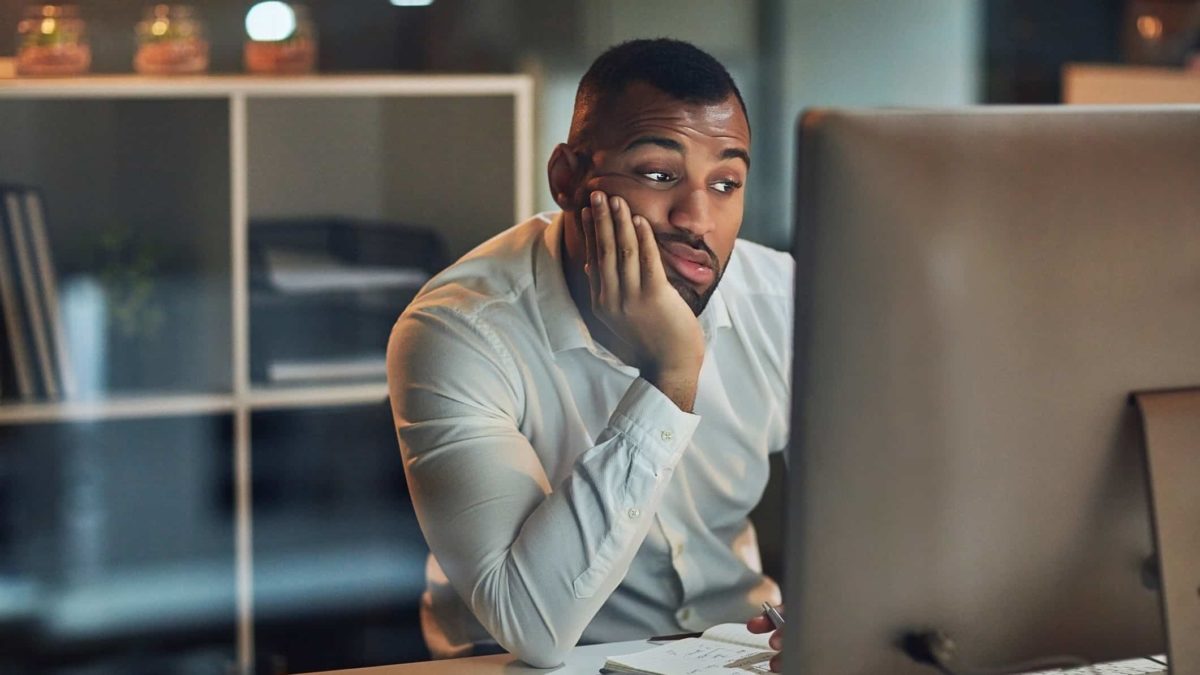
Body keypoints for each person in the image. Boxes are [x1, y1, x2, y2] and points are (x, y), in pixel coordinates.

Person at [386, 38, 792, 669]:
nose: (697, 217)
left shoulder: (782, 299)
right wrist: (671, 373)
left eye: (725, 183)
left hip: (732, 650)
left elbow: (883, 501)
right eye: (659, 174)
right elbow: (533, 626)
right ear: (567, 179)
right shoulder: (457, 329)